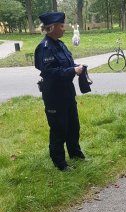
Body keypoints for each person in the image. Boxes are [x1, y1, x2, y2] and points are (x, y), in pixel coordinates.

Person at [34, 12, 86, 171]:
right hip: (54, 95)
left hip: (67, 92)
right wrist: (72, 71)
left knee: (73, 125)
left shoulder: (60, 44)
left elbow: (66, 64)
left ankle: (75, 154)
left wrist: (77, 67)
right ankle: (60, 163)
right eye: (62, 26)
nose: (65, 29)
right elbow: (50, 73)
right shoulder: (45, 48)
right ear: (52, 28)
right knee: (59, 129)